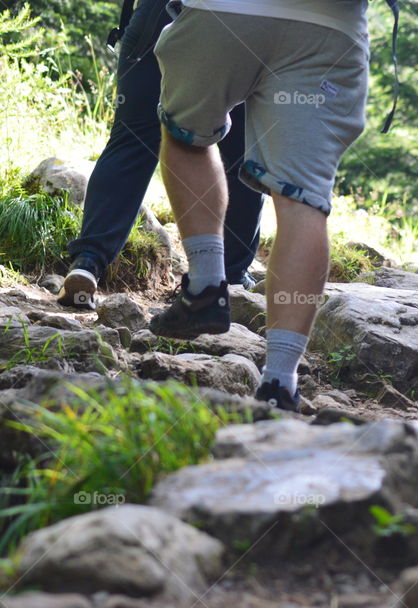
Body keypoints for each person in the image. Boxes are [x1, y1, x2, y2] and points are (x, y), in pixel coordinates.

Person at [148, 0, 370, 412]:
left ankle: (206, 287)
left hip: (224, 11)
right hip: (329, 26)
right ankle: (279, 383)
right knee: (303, 198)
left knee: (186, 134)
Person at [57, 0, 264, 311]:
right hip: (241, 23)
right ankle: (230, 277)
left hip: (157, 17)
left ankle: (88, 262)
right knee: (240, 154)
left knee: (132, 141)